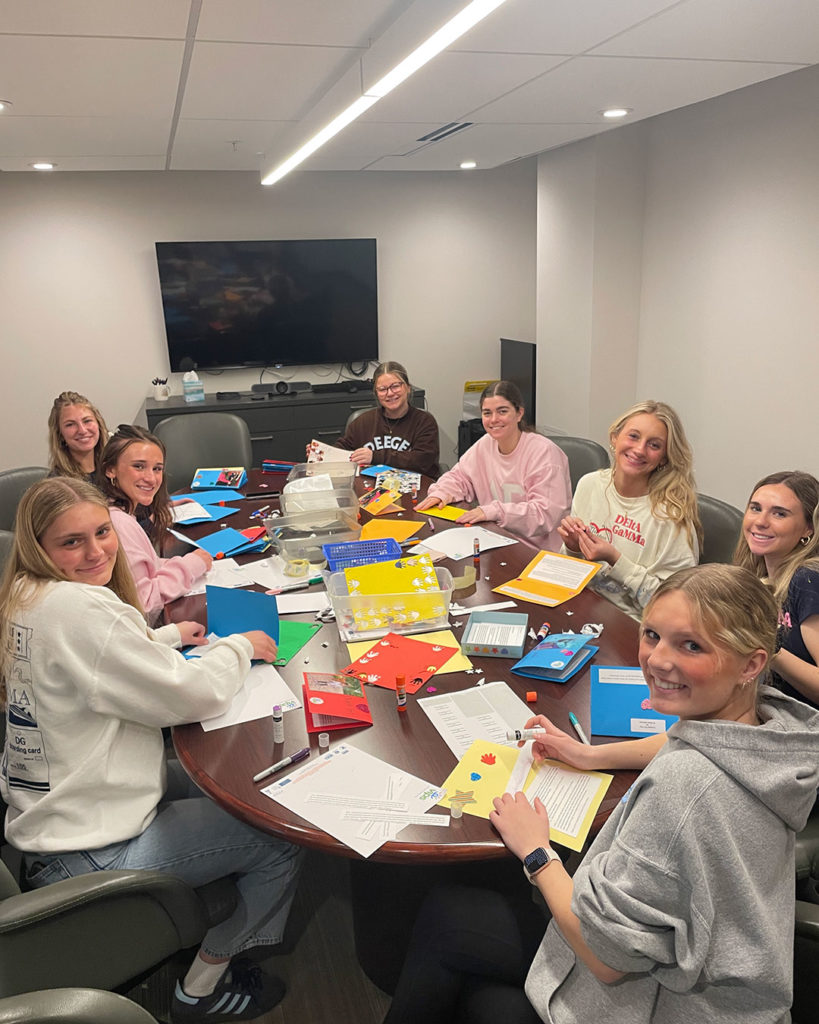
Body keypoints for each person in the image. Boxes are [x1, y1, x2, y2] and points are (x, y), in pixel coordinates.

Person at [384, 564, 819, 1024]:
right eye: (652, 635)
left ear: (751, 664)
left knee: (455, 936)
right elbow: (685, 740)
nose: (658, 660)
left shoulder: (684, 790)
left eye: (691, 645)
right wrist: (586, 755)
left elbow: (606, 959)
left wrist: (536, 852)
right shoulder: (770, 730)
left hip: (671, 1003)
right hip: (735, 991)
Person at [0, 478, 302, 1022]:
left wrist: (165, 638)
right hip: (91, 851)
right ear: (39, 546)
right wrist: (240, 647)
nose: (95, 551)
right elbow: (189, 695)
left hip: (49, 821)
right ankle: (199, 992)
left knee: (242, 789)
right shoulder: (80, 609)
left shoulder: (25, 595)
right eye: (72, 542)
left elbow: (91, 660)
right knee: (279, 834)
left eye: (101, 533)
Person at [558, 399, 700, 618]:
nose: (639, 450)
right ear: (615, 437)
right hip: (582, 607)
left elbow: (675, 607)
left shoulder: (671, 516)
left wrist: (615, 560)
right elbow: (568, 574)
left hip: (632, 626)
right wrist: (572, 547)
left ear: (664, 458)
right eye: (633, 436)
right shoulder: (590, 484)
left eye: (654, 445)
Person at [416, 381, 570, 550]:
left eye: (502, 411)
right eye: (487, 413)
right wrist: (443, 493)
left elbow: (544, 515)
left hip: (538, 552)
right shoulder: (485, 444)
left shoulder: (544, 453)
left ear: (519, 413)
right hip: (496, 541)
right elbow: (459, 476)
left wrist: (495, 511)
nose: (494, 419)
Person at [98, 425, 211, 621]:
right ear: (111, 470)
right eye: (139, 466)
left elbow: (141, 569)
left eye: (157, 468)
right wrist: (193, 564)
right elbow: (145, 602)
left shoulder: (119, 513)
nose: (151, 478)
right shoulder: (118, 523)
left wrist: (178, 563)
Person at [735, 470, 819, 710]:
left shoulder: (808, 581)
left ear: (808, 529)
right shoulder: (756, 576)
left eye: (779, 514)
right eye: (755, 508)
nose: (760, 521)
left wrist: (766, 648)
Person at [333, 361, 441, 477]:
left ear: (408, 388)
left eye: (395, 386)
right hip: (370, 489)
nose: (389, 393)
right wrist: (320, 453)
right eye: (382, 389)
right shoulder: (362, 422)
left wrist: (375, 457)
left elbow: (422, 461)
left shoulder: (424, 421)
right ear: (376, 394)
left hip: (414, 488)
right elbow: (341, 450)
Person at [47, 389, 109, 482]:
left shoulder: (113, 470)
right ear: (60, 434)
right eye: (70, 424)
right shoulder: (59, 485)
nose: (82, 430)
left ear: (99, 424)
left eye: (87, 421)